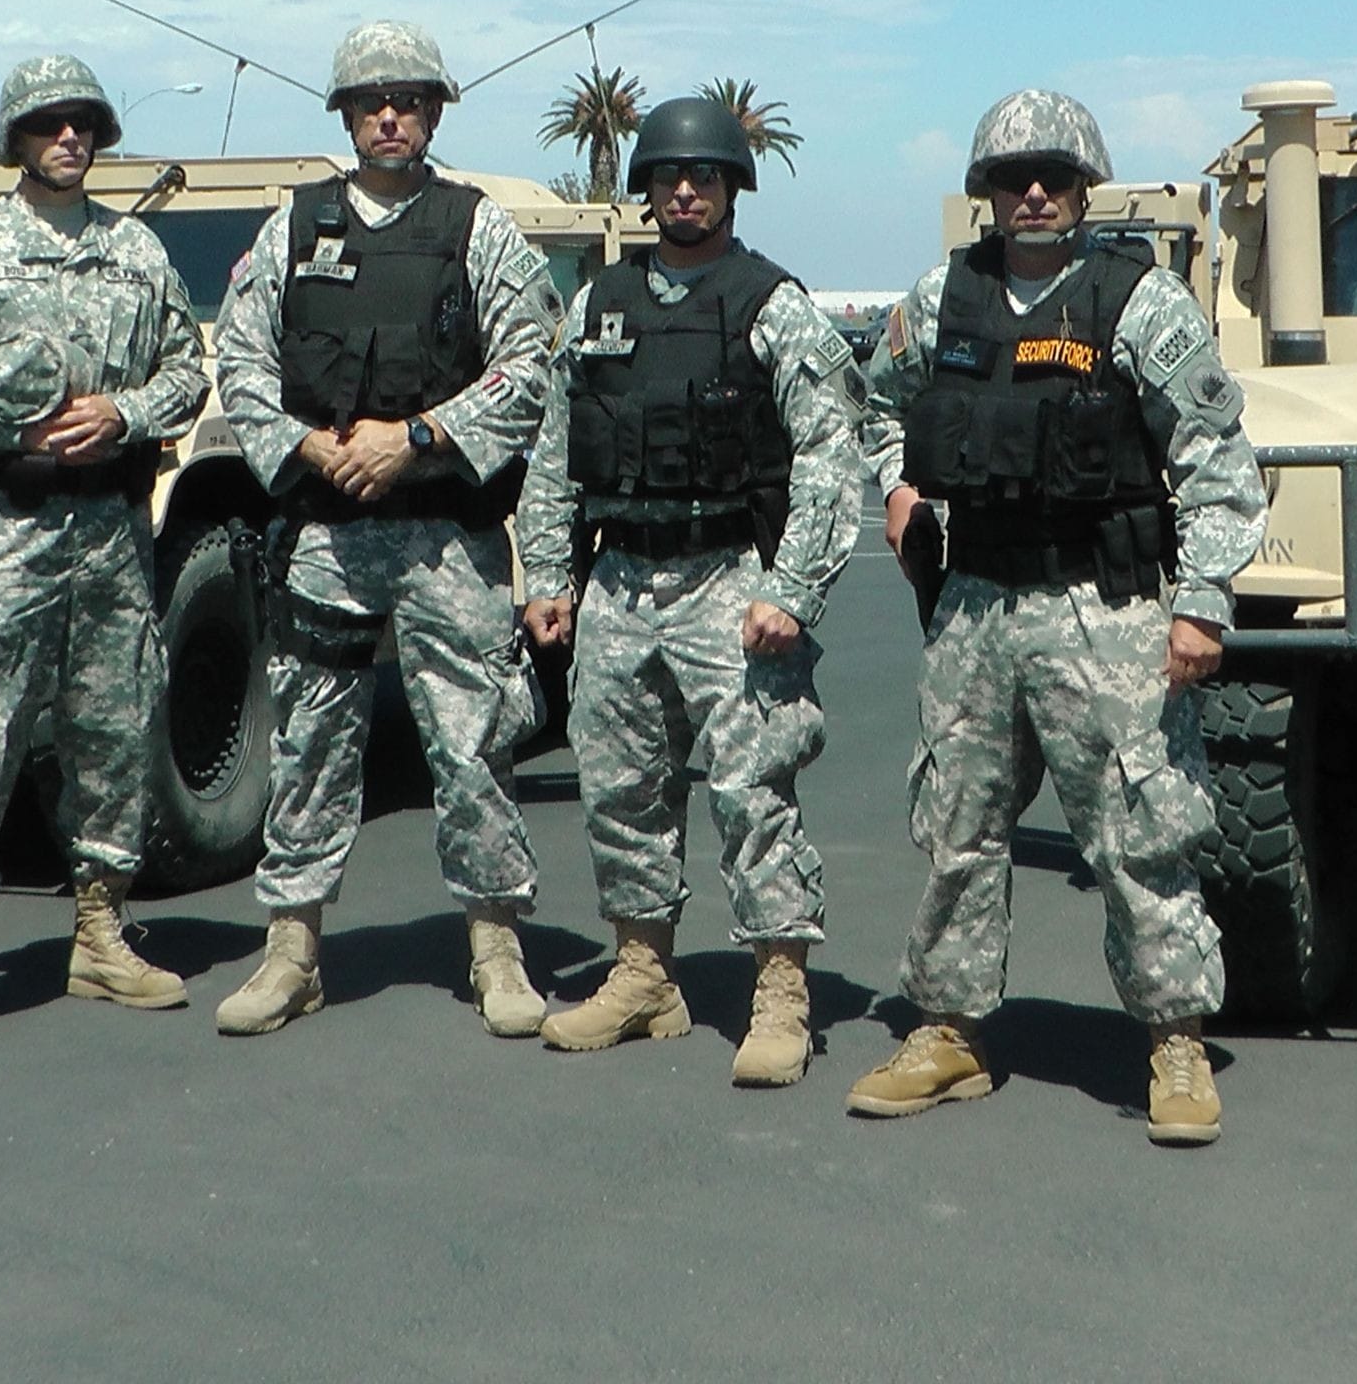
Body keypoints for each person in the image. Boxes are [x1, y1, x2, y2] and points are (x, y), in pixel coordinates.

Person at [849, 88, 1267, 1146]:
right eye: (1010, 178)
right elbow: (865, 402)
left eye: (1054, 178)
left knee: (1139, 832)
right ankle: (949, 1030)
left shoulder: (1139, 303)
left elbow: (1217, 462)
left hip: (1106, 607)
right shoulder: (942, 297)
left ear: (1085, 190)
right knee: (956, 827)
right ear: (985, 194)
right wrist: (895, 487)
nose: (1032, 193)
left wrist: (1203, 605)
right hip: (976, 606)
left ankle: (1174, 1040)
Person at [211, 20, 559, 1037]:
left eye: (408, 100)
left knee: (473, 742)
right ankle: (292, 952)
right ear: (347, 115)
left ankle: (497, 950)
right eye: (372, 102)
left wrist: (417, 438)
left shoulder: (477, 227)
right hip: (331, 530)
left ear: (435, 111)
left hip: (446, 536)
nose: (391, 116)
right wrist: (316, 450)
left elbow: (529, 365)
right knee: (313, 737)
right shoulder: (293, 227)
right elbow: (239, 363)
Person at [519, 98, 863, 1088]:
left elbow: (828, 456)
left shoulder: (771, 304)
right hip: (621, 579)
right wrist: (550, 575)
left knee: (754, 792)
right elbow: (554, 447)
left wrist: (792, 588)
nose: (683, 192)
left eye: (702, 178)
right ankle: (643, 975)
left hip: (729, 582)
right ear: (645, 191)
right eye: (668, 178)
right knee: (620, 789)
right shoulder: (598, 304)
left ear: (729, 188)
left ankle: (781, 991)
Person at [0, 55, 207, 1048]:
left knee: (113, 732)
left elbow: (189, 370)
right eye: (49, 124)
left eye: (84, 123)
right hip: (4, 539)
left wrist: (126, 410)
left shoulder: (138, 252)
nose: (70, 138)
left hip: (107, 534)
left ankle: (101, 933)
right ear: (17, 137)